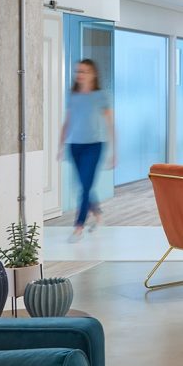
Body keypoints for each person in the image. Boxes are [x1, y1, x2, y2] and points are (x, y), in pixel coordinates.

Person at [59, 58, 115, 242]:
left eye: (84, 71)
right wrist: (61, 145)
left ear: (93, 74)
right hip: (75, 146)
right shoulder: (72, 95)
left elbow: (110, 125)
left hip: (94, 146)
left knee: (84, 187)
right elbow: (67, 122)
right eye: (78, 71)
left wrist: (114, 152)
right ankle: (97, 214)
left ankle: (78, 227)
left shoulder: (101, 96)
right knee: (84, 185)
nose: (80, 75)